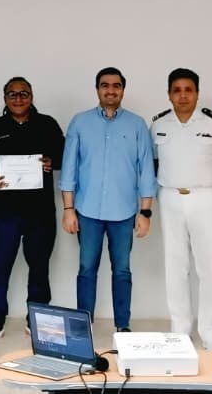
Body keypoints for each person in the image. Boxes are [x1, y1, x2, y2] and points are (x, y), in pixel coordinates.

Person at [59, 67, 156, 332]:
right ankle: (83, 325)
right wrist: (68, 209)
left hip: (124, 213)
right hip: (86, 210)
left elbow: (146, 170)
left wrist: (145, 213)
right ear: (97, 89)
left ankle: (122, 326)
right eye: (105, 85)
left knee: (122, 271)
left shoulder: (137, 124)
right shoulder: (80, 122)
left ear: (123, 89)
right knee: (86, 269)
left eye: (116, 85)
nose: (110, 90)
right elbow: (69, 169)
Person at [152, 68, 212, 351]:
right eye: (177, 90)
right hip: (170, 198)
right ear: (169, 94)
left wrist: (205, 185)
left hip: (204, 198)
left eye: (188, 89)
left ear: (197, 93)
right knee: (175, 266)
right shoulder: (158, 125)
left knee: (208, 267)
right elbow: (152, 164)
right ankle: (179, 331)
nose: (183, 95)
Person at [0, 76, 65, 342]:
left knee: (39, 268)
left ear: (32, 96)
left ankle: (37, 322)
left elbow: (64, 157)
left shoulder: (48, 125)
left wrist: (52, 161)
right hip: (5, 213)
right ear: (5, 98)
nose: (18, 98)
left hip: (40, 212)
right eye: (12, 94)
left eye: (24, 93)